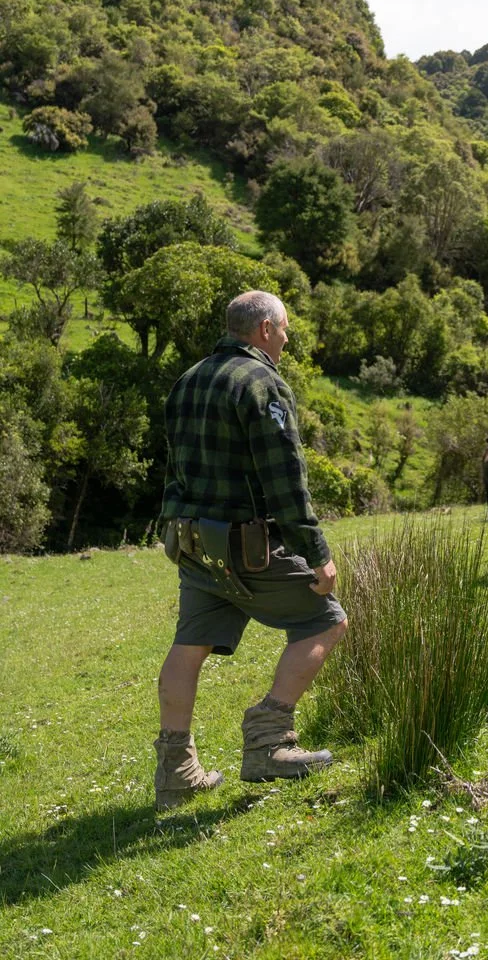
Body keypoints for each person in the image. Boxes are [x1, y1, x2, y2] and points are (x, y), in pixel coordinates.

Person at [154, 290, 348, 812]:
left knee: (189, 643)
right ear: (264, 328)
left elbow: (177, 469)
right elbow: (286, 481)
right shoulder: (262, 383)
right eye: (284, 329)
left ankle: (175, 771)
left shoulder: (186, 380)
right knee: (326, 621)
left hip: (194, 543)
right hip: (250, 544)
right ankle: (269, 741)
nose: (286, 338)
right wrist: (317, 554)